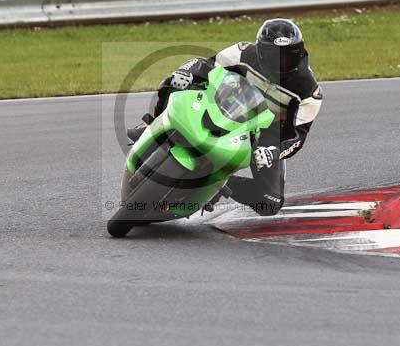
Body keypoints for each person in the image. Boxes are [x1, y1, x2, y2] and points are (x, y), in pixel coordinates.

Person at [127, 18, 322, 216]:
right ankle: (153, 123)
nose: (281, 63)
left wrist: (273, 152)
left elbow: (298, 136)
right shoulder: (244, 52)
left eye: (288, 57)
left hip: (265, 131)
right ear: (261, 51)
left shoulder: (308, 90)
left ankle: (221, 183)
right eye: (274, 56)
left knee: (270, 202)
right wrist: (185, 73)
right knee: (176, 82)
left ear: (299, 52)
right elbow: (205, 65)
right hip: (226, 101)